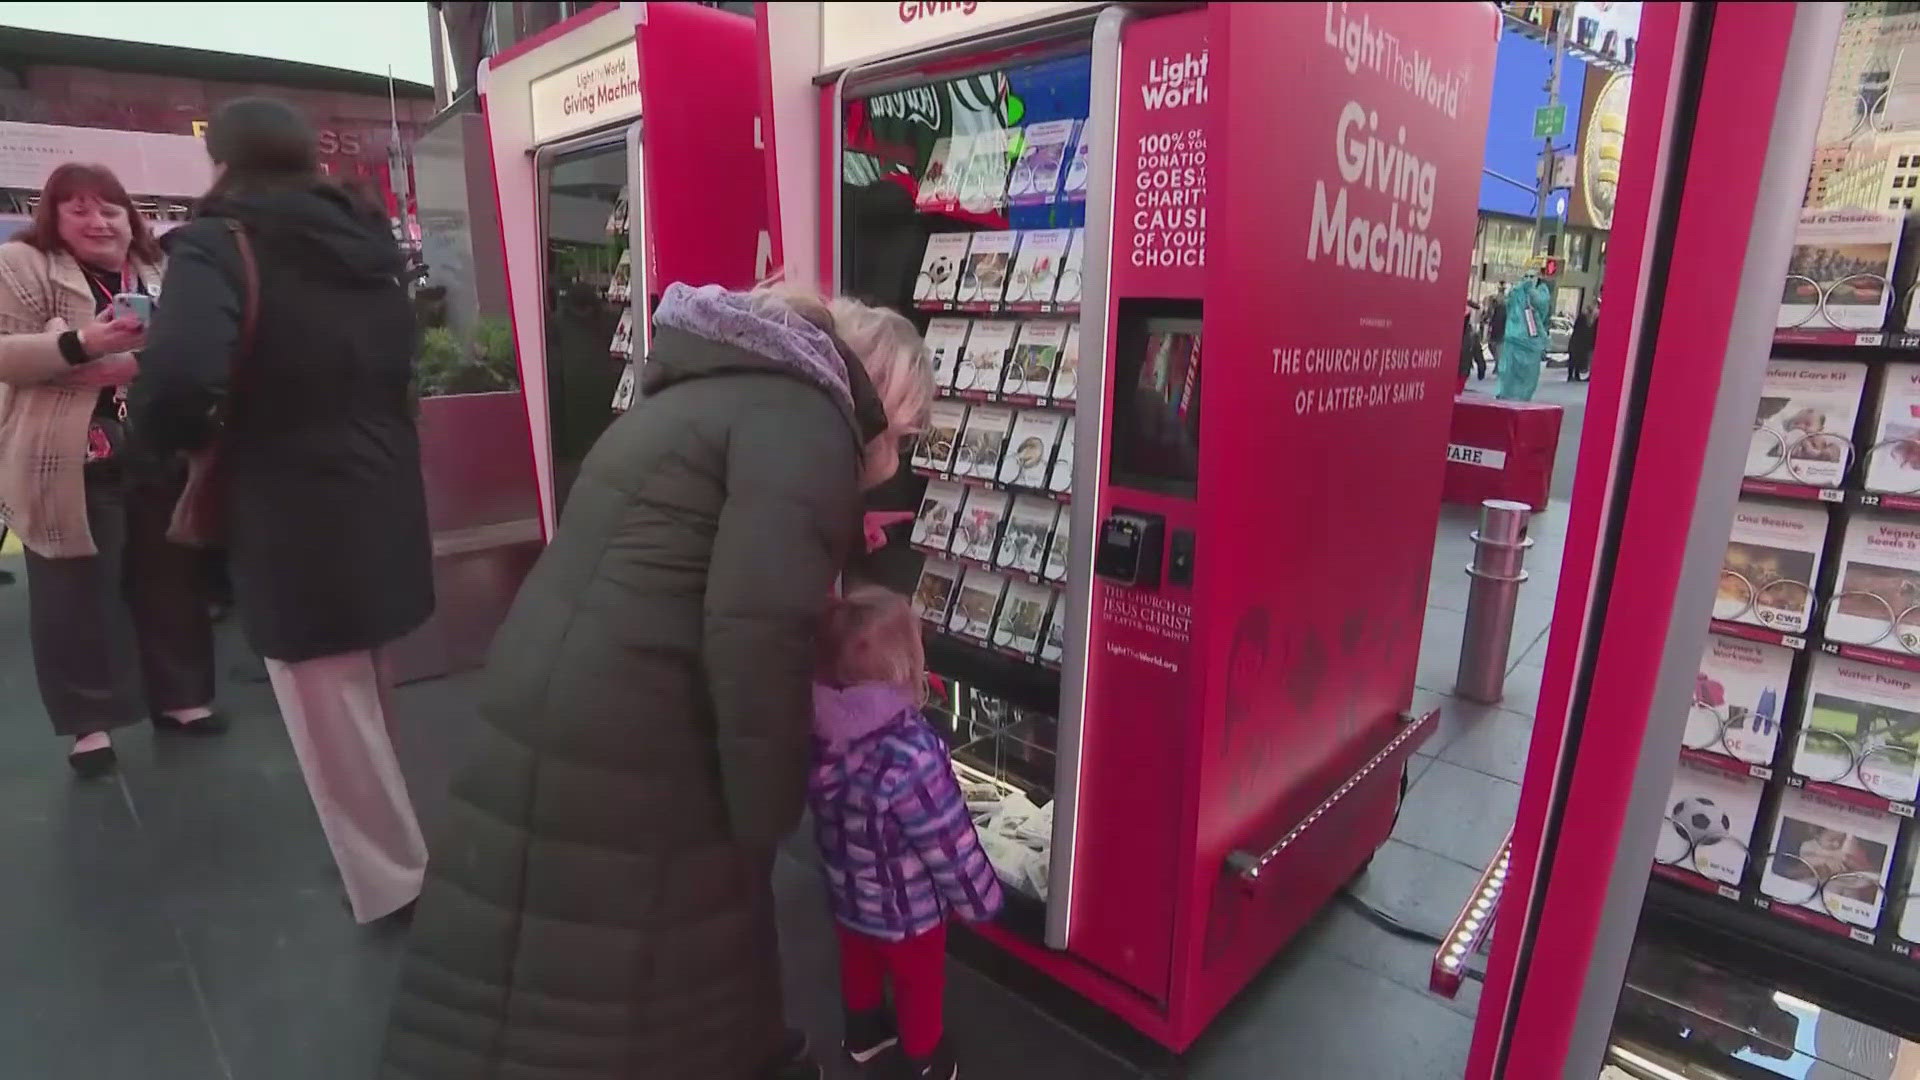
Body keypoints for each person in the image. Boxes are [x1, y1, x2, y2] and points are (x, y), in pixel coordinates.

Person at [379, 280, 934, 1080]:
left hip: (563, 679)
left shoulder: (718, 392)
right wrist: (771, 807)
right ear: (882, 395)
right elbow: (756, 636)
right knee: (649, 938)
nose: (896, 453)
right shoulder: (809, 426)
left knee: (538, 925)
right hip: (642, 721)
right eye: (905, 430)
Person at [131, 98, 433, 924]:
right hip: (383, 484)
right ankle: (402, 848)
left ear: (224, 161)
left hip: (290, 502)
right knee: (365, 687)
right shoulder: (366, 242)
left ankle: (393, 881)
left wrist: (170, 441)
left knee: (326, 705)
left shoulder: (219, 244)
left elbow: (182, 376)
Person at [0, 162, 222, 777]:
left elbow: (193, 350)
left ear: (132, 218)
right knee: (75, 593)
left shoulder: (161, 269)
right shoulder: (22, 266)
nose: (98, 221)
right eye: (79, 210)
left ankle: (181, 698)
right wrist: (81, 345)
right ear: (53, 218)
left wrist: (134, 366)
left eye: (110, 209)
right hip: (68, 453)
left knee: (172, 578)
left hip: (157, 444)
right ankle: (89, 727)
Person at [811, 587, 1002, 1079]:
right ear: (907, 668)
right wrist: (980, 901)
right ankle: (925, 1061)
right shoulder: (913, 754)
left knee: (859, 966)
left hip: (849, 900)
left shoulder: (817, 729)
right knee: (920, 985)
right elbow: (948, 842)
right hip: (909, 913)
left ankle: (864, 1034)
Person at [1496, 273, 1553, 402]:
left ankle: (1506, 393)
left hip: (1516, 337)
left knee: (1511, 370)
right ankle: (1514, 395)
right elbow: (1541, 308)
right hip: (1523, 340)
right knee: (1524, 374)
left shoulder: (1518, 293)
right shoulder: (1527, 294)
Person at [1567, 302, 1597, 382]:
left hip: (1576, 342)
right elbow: (1584, 331)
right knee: (1575, 360)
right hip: (1578, 343)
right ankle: (1573, 376)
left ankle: (1573, 376)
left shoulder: (1583, 318)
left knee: (1574, 360)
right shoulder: (1583, 318)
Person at [1481, 284, 1506, 378]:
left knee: (1498, 351)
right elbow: (1488, 317)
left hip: (1501, 333)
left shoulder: (1505, 308)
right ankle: (1498, 365)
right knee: (1492, 347)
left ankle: (1498, 367)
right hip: (1494, 331)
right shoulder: (1494, 307)